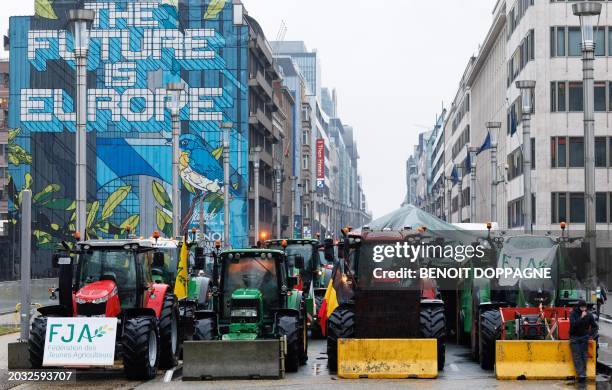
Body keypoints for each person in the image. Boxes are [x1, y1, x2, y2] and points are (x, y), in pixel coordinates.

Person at [570, 299, 598, 383]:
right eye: (582, 307)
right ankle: (581, 374)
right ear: (578, 307)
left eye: (584, 307)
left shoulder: (589, 315)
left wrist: (591, 335)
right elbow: (573, 325)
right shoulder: (573, 314)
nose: (583, 309)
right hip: (574, 337)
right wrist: (581, 317)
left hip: (584, 338)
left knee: (584, 356)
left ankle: (583, 373)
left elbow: (594, 326)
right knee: (577, 356)